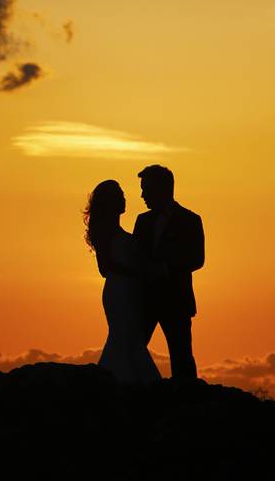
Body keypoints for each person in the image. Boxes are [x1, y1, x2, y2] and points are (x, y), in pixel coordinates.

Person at [84, 180, 161, 385]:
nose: (125, 199)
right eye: (120, 195)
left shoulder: (120, 231)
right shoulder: (105, 233)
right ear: (111, 202)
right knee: (125, 336)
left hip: (130, 292)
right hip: (118, 292)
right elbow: (104, 268)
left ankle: (114, 379)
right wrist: (135, 272)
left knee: (127, 337)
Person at [132, 165, 205, 380]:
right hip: (146, 300)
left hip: (176, 300)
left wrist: (164, 268)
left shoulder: (190, 220)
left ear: (162, 189)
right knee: (134, 349)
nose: (142, 195)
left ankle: (187, 403)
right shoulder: (142, 221)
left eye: (146, 189)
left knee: (181, 356)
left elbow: (197, 259)